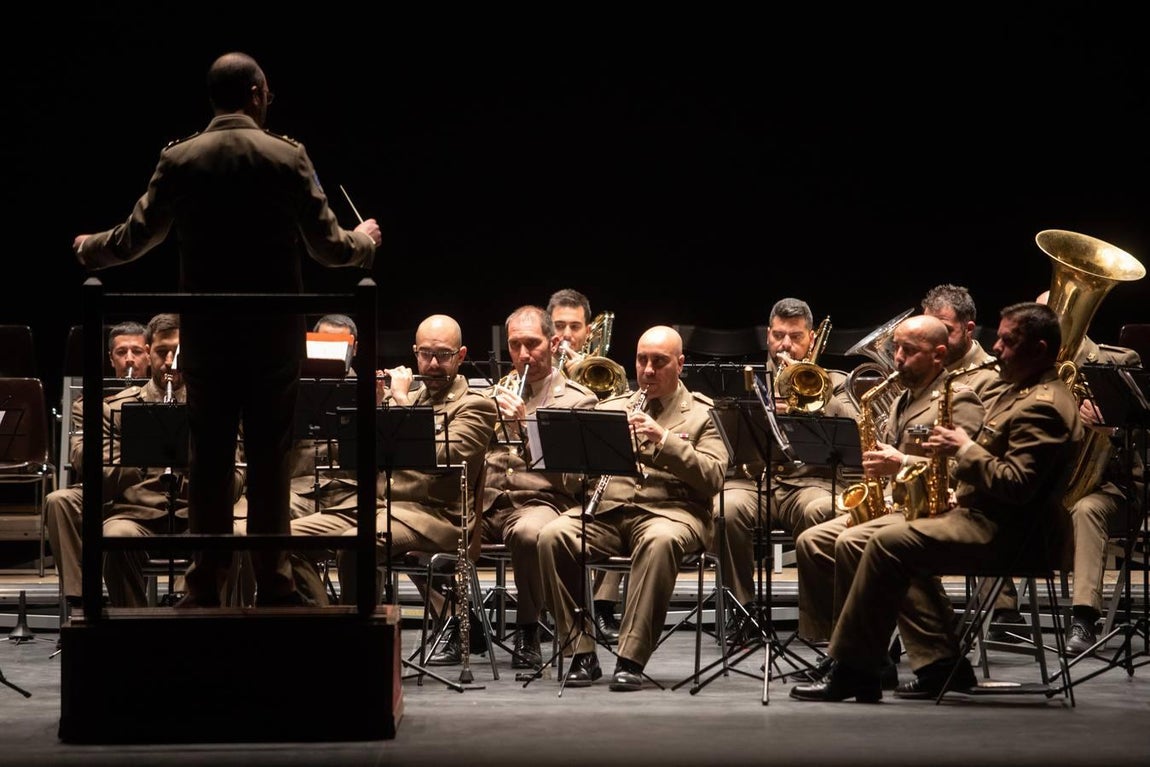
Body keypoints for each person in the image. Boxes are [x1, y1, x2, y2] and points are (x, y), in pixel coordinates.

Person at [72, 51, 381, 607]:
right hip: (272, 337)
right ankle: (275, 581)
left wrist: (90, 249)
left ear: (213, 97)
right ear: (258, 93)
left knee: (209, 458)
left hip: (209, 336)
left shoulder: (181, 157)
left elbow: (137, 236)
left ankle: (204, 583)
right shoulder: (287, 156)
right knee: (269, 458)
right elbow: (331, 248)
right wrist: (367, 243)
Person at [791, 301, 1083, 702]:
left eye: (1008, 341)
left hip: (1011, 531)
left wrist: (963, 449)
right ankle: (931, 665)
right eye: (998, 338)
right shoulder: (1021, 392)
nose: (995, 348)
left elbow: (1017, 486)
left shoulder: (1044, 405)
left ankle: (858, 668)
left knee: (885, 542)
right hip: (981, 514)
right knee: (876, 539)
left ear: (1041, 348)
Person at [792, 315, 986, 689]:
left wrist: (901, 462)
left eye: (909, 351)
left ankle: (858, 661)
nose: (897, 358)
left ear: (939, 354)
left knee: (866, 545)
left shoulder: (958, 400)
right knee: (813, 542)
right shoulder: (899, 400)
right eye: (896, 349)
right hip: (898, 506)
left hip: (938, 509)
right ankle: (843, 650)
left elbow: (967, 468)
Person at [538, 325, 728, 691]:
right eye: (642, 360)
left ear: (680, 364)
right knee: (552, 535)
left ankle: (631, 658)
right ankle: (580, 652)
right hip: (609, 513)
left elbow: (713, 477)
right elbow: (576, 481)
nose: (648, 369)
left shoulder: (704, 414)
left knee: (659, 541)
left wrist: (665, 440)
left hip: (672, 513)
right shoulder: (613, 407)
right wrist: (579, 461)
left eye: (660, 361)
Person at [291, 315, 497, 649]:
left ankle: (360, 644)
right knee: (286, 539)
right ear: (415, 353)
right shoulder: (407, 398)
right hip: (380, 505)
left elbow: (444, 460)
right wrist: (370, 407)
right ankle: (330, 626)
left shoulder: (476, 405)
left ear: (460, 356)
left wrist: (399, 403)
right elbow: (359, 458)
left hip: (437, 517)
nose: (432, 364)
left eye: (443, 355)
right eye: (425, 354)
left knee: (358, 543)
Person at [45, 314, 245, 608]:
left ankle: (214, 625)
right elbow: (95, 466)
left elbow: (236, 481)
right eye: (162, 352)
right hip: (136, 513)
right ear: (149, 351)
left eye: (177, 352)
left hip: (198, 512)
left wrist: (197, 457)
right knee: (114, 536)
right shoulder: (117, 408)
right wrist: (144, 454)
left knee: (234, 537)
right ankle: (132, 629)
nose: (169, 361)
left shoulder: (214, 409)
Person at [714, 297, 860, 645]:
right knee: (725, 510)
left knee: (824, 510)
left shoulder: (834, 381)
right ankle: (742, 612)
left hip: (809, 482)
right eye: (779, 335)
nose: (785, 345)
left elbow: (854, 434)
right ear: (768, 335)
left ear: (811, 338)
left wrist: (816, 395)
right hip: (754, 480)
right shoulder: (747, 380)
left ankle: (819, 623)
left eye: (795, 337)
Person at [481, 305, 598, 668]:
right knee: (413, 524)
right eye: (515, 345)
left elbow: (576, 479)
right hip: (488, 502)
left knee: (530, 534)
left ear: (553, 342)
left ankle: (528, 628)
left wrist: (523, 429)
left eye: (532, 344)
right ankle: (458, 621)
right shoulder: (493, 396)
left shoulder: (579, 400)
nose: (522, 355)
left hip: (541, 502)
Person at [547, 287, 624, 641]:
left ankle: (603, 605)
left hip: (596, 476)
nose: (565, 335)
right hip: (550, 480)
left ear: (588, 332)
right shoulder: (534, 370)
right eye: (558, 326)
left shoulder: (607, 371)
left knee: (617, 497)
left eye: (574, 327)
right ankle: (555, 609)